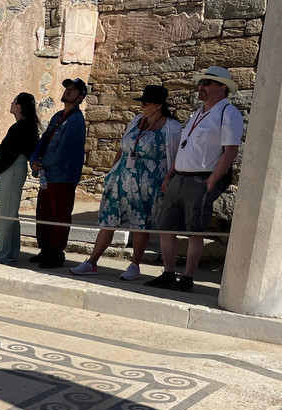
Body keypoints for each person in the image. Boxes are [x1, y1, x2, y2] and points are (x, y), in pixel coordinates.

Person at [147, 66, 243, 292]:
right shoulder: (198, 114)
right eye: (201, 83)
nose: (202, 87)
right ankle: (168, 273)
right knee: (166, 228)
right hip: (180, 177)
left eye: (207, 83)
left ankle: (188, 277)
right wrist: (170, 174)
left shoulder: (228, 113)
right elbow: (184, 147)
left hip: (200, 179)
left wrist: (212, 180)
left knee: (194, 231)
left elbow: (230, 150)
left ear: (222, 87)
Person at [71, 85, 181, 281]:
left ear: (158, 105)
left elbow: (175, 157)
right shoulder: (137, 121)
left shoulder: (171, 127)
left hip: (149, 185)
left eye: (146, 103)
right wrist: (112, 171)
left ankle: (135, 265)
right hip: (122, 179)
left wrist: (169, 180)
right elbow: (123, 147)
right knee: (108, 220)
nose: (142, 107)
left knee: (141, 224)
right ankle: (92, 262)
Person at [29, 78, 89, 269]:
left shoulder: (76, 121)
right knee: (43, 213)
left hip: (63, 176)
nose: (68, 91)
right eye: (67, 88)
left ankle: (55, 253)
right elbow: (45, 139)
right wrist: (34, 159)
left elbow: (61, 149)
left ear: (80, 97)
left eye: (73, 90)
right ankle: (45, 249)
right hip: (49, 175)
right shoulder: (57, 116)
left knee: (60, 215)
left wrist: (42, 163)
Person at [0, 92, 39, 263]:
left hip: (12, 168)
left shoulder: (20, 127)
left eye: (14, 101)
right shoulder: (26, 125)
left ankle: (2, 253)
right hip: (15, 167)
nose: (11, 102)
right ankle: (11, 251)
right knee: (11, 211)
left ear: (19, 107)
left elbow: (9, 151)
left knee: (5, 212)